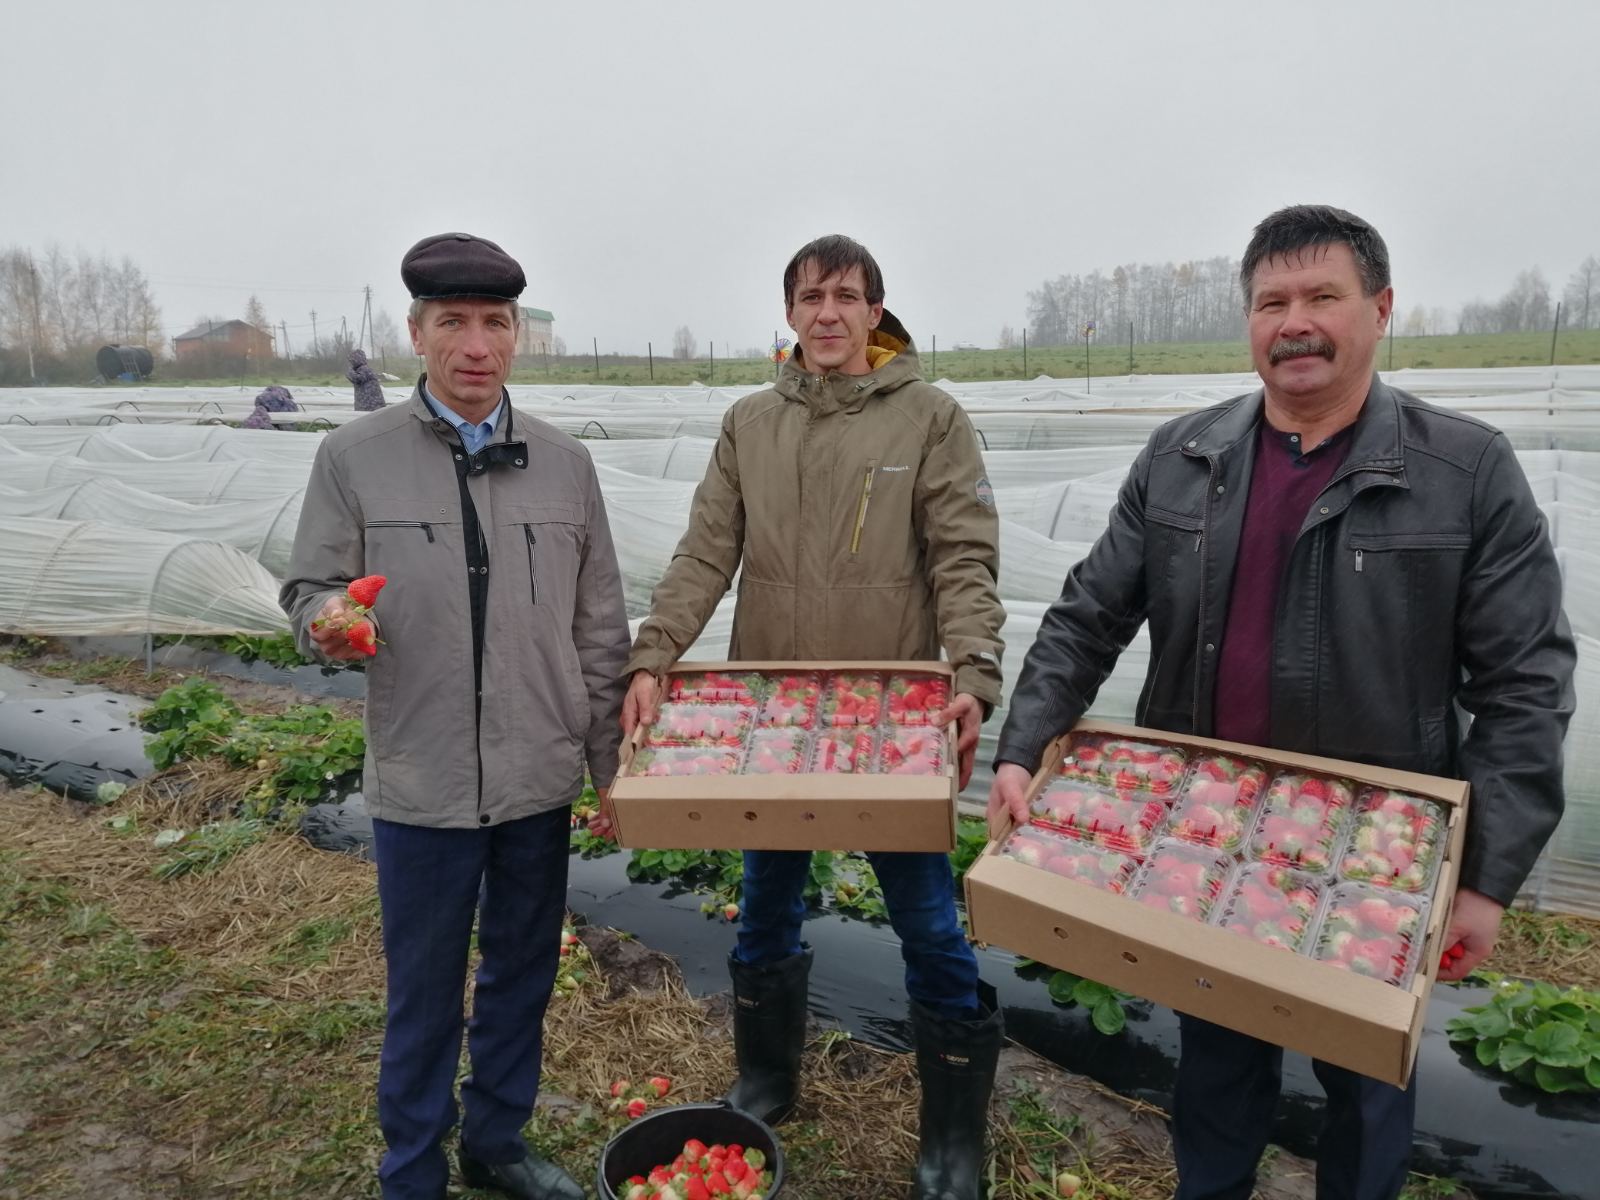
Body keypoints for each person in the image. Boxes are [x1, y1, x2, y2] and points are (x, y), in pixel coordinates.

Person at [989, 205, 1576, 1200]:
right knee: (1216, 1067)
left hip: (1374, 857)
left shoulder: (1463, 473)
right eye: (1271, 301)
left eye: (1321, 297)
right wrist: (1023, 744)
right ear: (1248, 319)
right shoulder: (1184, 457)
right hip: (1209, 837)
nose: (1294, 322)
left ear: (1380, 309)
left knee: (1366, 1089)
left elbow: (1524, 681)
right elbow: (1089, 612)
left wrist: (1482, 875)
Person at [601, 234, 1007, 1200]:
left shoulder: (930, 418)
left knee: (928, 923)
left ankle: (953, 1132)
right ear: (789, 313)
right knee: (767, 902)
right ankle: (769, 1076)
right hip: (770, 722)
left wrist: (973, 672)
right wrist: (654, 652)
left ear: (876, 314)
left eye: (848, 296)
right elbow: (707, 553)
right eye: (812, 296)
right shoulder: (750, 424)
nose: (829, 313)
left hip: (886, 726)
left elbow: (962, 557)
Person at [280, 232, 629, 1200]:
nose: (475, 345)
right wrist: (329, 620)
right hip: (424, 776)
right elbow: (310, 587)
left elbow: (600, 626)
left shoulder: (564, 466)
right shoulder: (356, 457)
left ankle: (498, 1141)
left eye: (495, 323)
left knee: (522, 969)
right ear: (416, 333)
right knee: (425, 988)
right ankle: (411, 1166)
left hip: (536, 775)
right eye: (453, 323)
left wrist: (612, 766)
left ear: (518, 335)